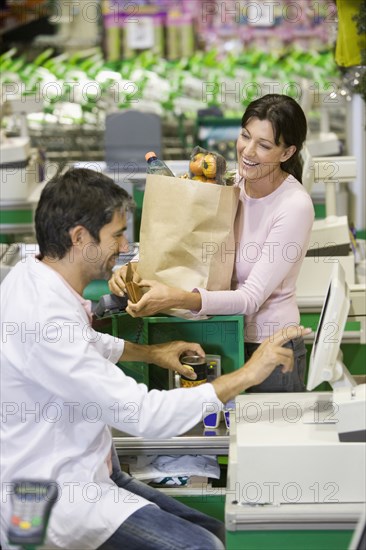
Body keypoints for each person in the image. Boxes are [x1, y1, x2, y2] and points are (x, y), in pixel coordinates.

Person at [0, 168, 310, 550]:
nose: (124, 245)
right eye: (116, 234)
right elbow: (146, 414)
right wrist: (247, 374)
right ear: (80, 237)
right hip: (59, 491)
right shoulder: (46, 319)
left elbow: (87, 342)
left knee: (215, 532)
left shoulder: (30, 277)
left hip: (91, 465)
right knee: (204, 547)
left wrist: (152, 353)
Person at [109, 94, 315, 393]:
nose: (248, 150)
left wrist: (177, 297)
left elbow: (249, 299)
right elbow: (184, 244)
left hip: (268, 348)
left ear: (287, 152)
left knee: (264, 438)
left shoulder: (293, 206)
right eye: (245, 136)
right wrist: (133, 270)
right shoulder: (228, 186)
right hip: (218, 335)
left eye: (265, 145)